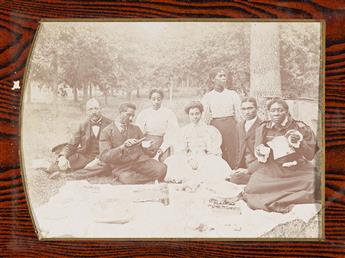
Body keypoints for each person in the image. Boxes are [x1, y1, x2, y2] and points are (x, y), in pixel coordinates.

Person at [241, 98, 320, 213]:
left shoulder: (300, 127)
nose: (276, 113)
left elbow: (310, 155)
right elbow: (259, 153)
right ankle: (283, 200)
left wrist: (300, 143)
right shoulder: (263, 128)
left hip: (297, 168)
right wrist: (261, 153)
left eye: (280, 110)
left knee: (315, 181)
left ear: (287, 111)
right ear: (268, 112)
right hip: (274, 169)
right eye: (273, 110)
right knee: (253, 186)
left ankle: (280, 200)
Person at [74, 102, 167, 184]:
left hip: (139, 162)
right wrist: (122, 147)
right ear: (120, 113)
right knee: (127, 178)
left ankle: (145, 177)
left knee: (161, 170)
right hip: (121, 166)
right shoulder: (107, 131)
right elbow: (104, 155)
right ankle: (149, 178)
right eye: (128, 115)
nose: (131, 119)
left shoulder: (136, 129)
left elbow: (148, 152)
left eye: (133, 116)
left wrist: (148, 147)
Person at [164, 101, 232, 184]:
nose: (195, 117)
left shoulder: (209, 130)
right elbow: (181, 150)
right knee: (173, 161)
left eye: (197, 114)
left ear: (201, 114)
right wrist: (189, 160)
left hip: (204, 156)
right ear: (188, 115)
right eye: (192, 114)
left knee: (215, 163)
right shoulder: (184, 131)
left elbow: (213, 149)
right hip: (190, 156)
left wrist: (204, 158)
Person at [46, 98, 112, 176]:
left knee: (105, 167)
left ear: (100, 109)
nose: (94, 112)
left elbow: (111, 147)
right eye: (90, 109)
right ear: (87, 112)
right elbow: (71, 145)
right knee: (55, 167)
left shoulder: (110, 124)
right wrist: (62, 157)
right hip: (86, 156)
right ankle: (84, 170)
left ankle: (69, 175)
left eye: (96, 108)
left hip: (102, 157)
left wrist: (97, 160)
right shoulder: (83, 125)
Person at [201, 67, 241, 169]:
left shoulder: (232, 94)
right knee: (218, 149)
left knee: (232, 149)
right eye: (220, 76)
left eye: (224, 76)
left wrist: (239, 126)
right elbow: (204, 116)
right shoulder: (208, 96)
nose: (224, 78)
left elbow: (238, 113)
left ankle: (234, 170)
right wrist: (205, 130)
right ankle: (220, 171)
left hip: (230, 125)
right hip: (216, 126)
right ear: (213, 79)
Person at [135, 89, 179, 160]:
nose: (156, 102)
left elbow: (172, 132)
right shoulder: (144, 113)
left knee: (163, 162)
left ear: (162, 99)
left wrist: (162, 148)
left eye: (159, 99)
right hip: (146, 142)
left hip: (163, 142)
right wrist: (144, 143)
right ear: (150, 99)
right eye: (153, 99)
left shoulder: (169, 113)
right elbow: (138, 131)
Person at [227, 97, 262, 185]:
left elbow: (265, 157)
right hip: (244, 165)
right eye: (244, 109)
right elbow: (239, 150)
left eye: (250, 108)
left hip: (259, 167)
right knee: (230, 176)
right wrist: (237, 167)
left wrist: (248, 170)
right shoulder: (239, 125)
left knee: (235, 179)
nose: (247, 112)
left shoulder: (262, 126)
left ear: (257, 109)